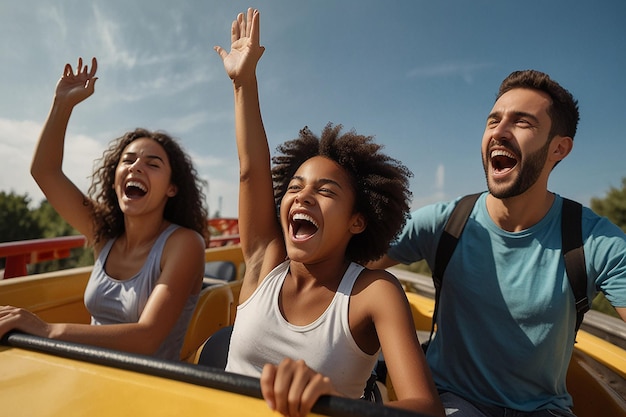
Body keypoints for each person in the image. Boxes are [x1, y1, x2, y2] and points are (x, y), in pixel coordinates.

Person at [214, 8, 444, 417]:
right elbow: (251, 170)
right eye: (295, 187)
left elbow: (425, 408)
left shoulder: (374, 293)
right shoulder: (264, 260)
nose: (302, 197)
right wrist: (243, 83)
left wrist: (330, 402)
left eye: (325, 191)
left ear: (358, 220)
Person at [369, 69, 626, 417]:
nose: (499, 132)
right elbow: (341, 264)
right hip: (450, 399)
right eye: (493, 121)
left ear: (559, 148)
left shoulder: (594, 240)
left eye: (522, 123)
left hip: (544, 410)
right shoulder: (445, 223)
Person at [0, 57, 209, 361]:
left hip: (150, 392)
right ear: (115, 180)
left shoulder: (184, 244)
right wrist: (62, 105)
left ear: (171, 188)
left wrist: (46, 331)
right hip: (86, 374)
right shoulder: (104, 232)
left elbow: (147, 337)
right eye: (128, 161)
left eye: (152, 164)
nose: (136, 167)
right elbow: (45, 172)